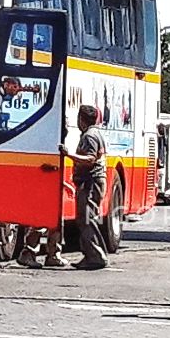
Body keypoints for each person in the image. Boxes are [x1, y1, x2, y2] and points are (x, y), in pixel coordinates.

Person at [59, 104, 109, 270]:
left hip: (90, 182)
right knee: (87, 219)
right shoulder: (96, 134)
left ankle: (96, 256)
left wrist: (68, 155)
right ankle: (91, 254)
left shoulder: (89, 136)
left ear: (81, 119)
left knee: (86, 220)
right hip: (93, 181)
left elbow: (90, 159)